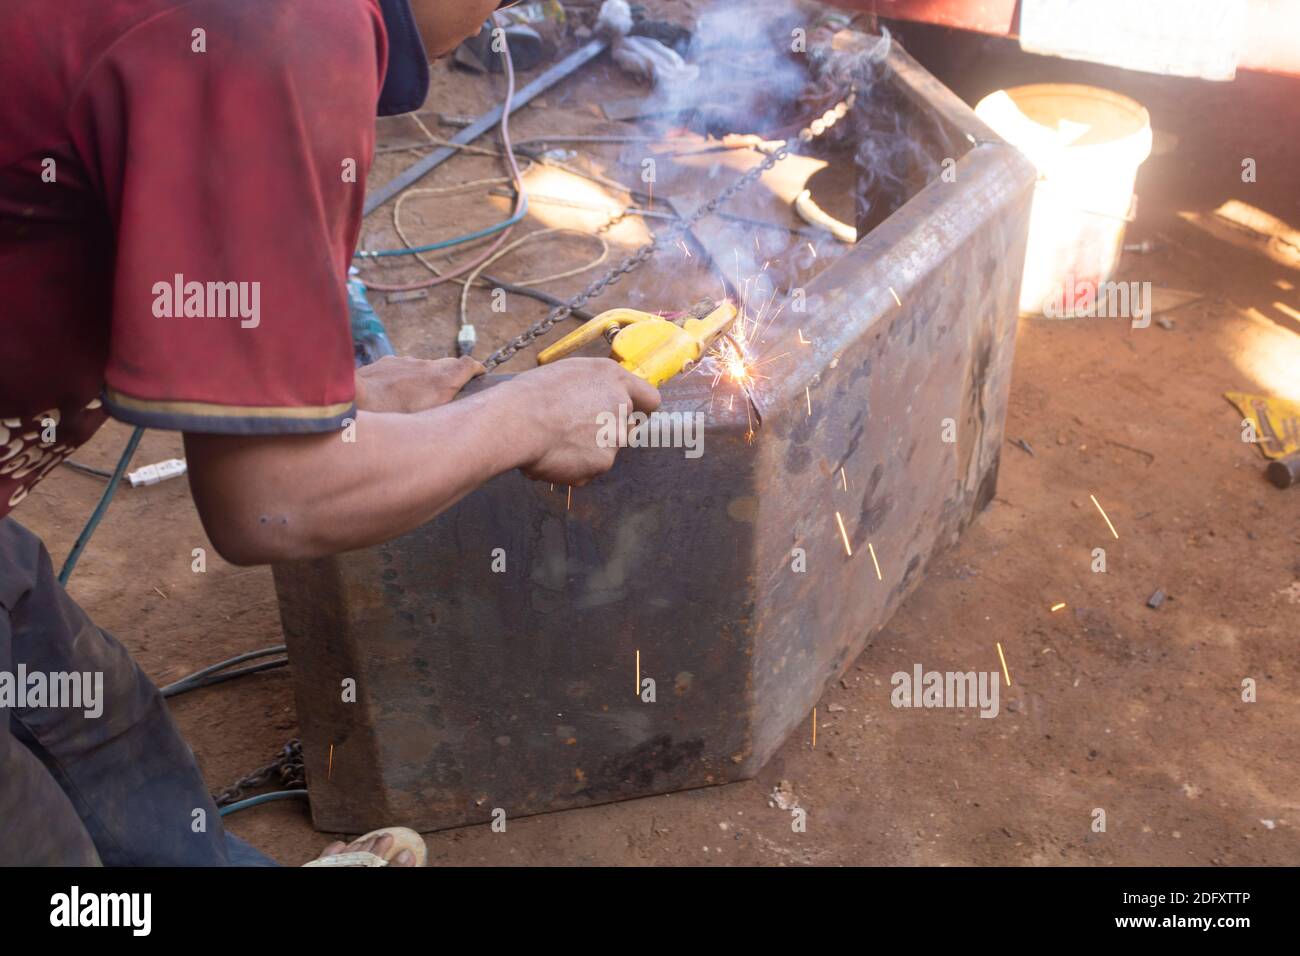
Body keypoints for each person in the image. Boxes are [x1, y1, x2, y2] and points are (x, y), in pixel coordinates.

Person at [0, 0, 659, 866]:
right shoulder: (282, 28)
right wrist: (529, 416)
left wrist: (320, 396)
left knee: (94, 726)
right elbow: (268, 504)